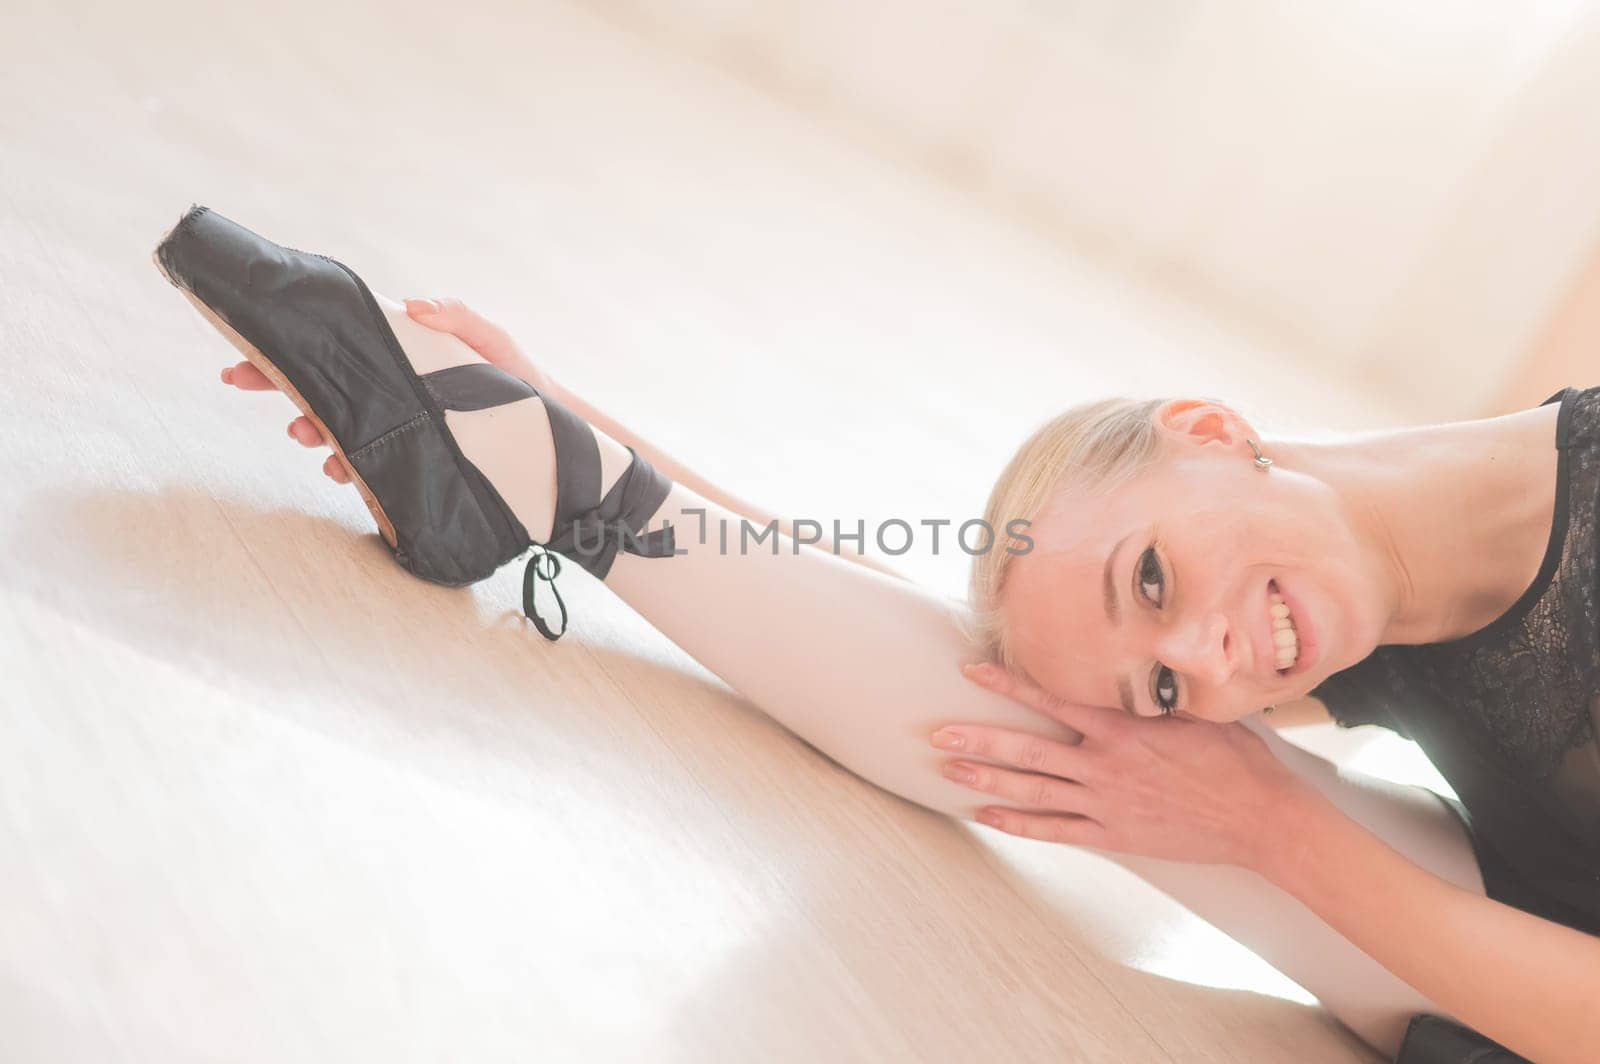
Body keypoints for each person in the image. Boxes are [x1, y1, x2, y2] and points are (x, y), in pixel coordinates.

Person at [168, 211, 1594, 1062]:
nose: (1216, 665)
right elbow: (961, 653)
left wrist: (1281, 837)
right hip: (1529, 928)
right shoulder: (1306, 604)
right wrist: (570, 419)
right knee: (1096, 747)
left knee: (1219, 796)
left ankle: (530, 471)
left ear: (1216, 433)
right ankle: (537, 477)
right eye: (1170, 667)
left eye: (1154, 581)